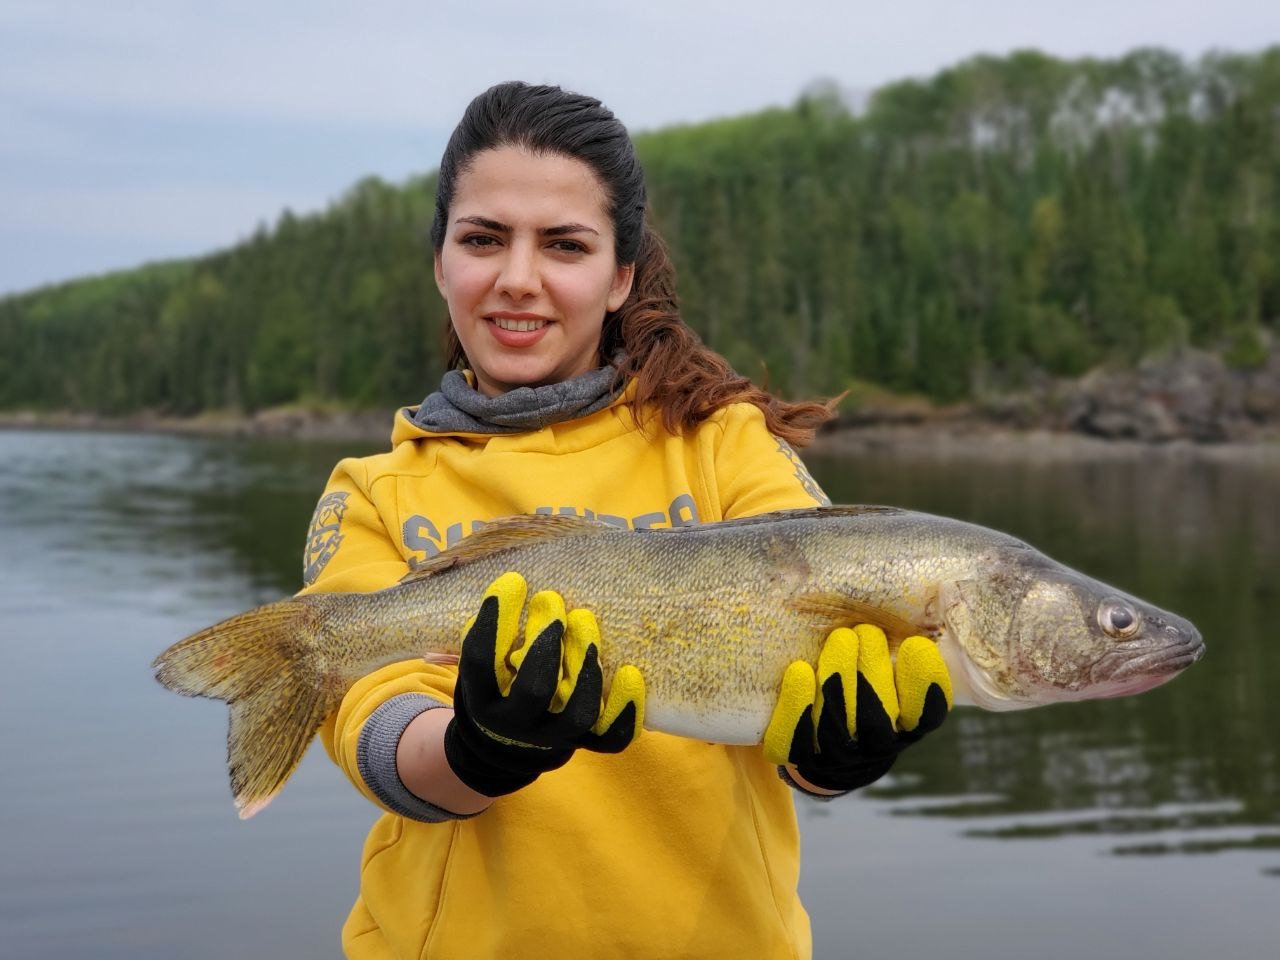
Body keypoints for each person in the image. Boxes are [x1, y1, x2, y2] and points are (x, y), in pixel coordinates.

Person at [299, 81, 951, 960]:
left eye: (565, 245)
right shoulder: (371, 491)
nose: (518, 278)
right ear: (442, 262)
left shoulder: (728, 445)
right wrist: (475, 751)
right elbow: (373, 729)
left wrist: (836, 754)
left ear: (620, 277)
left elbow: (799, 719)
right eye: (483, 239)